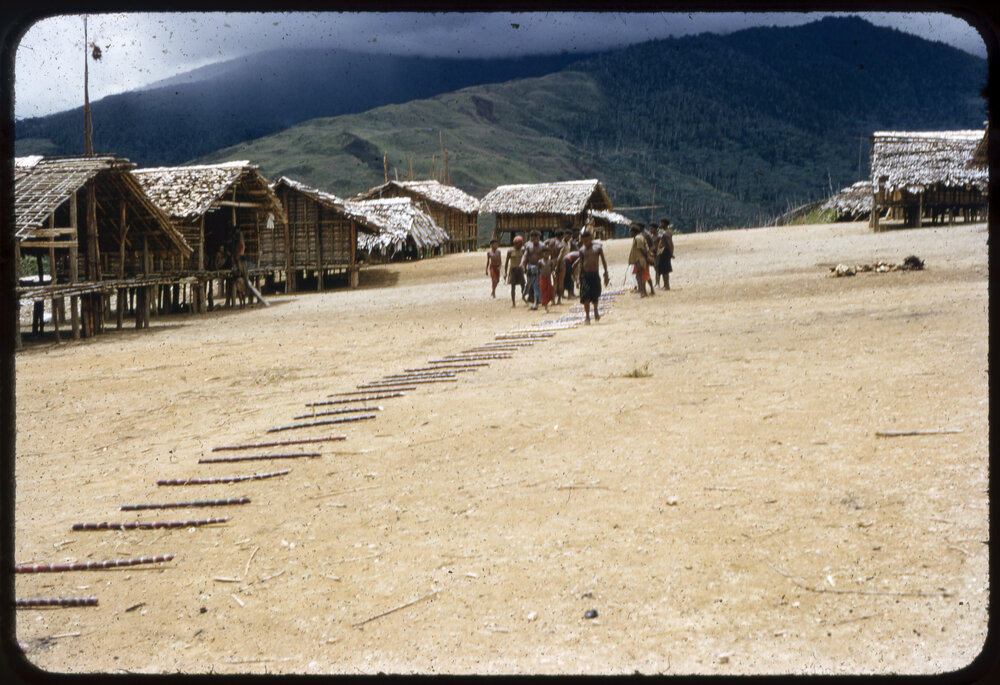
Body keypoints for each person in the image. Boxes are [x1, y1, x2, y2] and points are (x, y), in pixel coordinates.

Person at [578, 228, 610, 323]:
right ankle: (587, 316)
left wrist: (606, 274)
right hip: (585, 275)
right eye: (583, 241)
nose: (585, 243)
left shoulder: (597, 248)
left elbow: (603, 261)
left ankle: (595, 310)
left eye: (586, 241)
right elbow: (580, 264)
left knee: (595, 294)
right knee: (585, 296)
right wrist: (578, 278)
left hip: (594, 274)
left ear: (591, 239)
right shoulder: (582, 250)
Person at [519, 230, 545, 310]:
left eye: (536, 239)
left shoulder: (542, 246)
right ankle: (525, 295)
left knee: (536, 284)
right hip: (530, 267)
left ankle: (535, 302)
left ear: (539, 237)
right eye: (533, 239)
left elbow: (545, 257)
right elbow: (525, 255)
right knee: (529, 283)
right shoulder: (528, 245)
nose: (535, 241)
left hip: (539, 267)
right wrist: (522, 263)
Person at [628, 223, 654, 297]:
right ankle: (643, 292)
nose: (630, 233)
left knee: (639, 276)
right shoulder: (639, 237)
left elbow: (642, 249)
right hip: (639, 260)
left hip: (640, 260)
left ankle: (643, 293)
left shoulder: (638, 238)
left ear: (634, 232)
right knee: (639, 276)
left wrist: (647, 258)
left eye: (630, 231)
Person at [504, 235, 526, 307]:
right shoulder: (510, 251)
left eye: (521, 243)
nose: (521, 245)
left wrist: (525, 268)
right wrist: (505, 272)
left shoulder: (522, 250)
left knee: (523, 285)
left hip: (520, 270)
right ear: (515, 243)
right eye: (519, 243)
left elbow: (525, 259)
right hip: (513, 270)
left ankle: (524, 297)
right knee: (513, 287)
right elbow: (507, 262)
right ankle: (513, 303)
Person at [546, 229, 566, 305]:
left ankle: (553, 300)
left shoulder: (550, 242)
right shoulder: (562, 244)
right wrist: (557, 264)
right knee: (560, 282)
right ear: (562, 236)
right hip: (560, 263)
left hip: (552, 261)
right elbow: (560, 255)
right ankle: (559, 300)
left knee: (554, 282)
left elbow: (544, 245)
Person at [658, 217, 674, 290]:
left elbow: (670, 244)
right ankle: (665, 285)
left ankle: (667, 286)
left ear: (665, 224)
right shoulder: (666, 232)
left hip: (665, 252)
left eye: (661, 223)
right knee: (664, 270)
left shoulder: (666, 233)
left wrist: (671, 253)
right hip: (664, 252)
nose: (660, 224)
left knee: (665, 270)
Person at [538, 246, 555, 313]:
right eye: (545, 254)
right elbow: (538, 272)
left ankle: (549, 303)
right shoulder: (540, 262)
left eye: (548, 254)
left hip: (548, 279)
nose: (546, 255)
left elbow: (552, 270)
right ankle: (546, 307)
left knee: (549, 292)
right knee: (543, 293)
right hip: (542, 279)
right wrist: (538, 280)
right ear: (542, 254)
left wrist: (553, 273)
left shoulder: (551, 262)